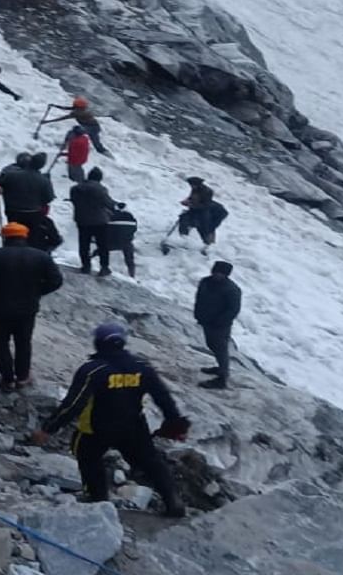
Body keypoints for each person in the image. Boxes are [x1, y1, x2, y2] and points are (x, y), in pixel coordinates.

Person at [31, 323, 188, 517]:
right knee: (151, 461)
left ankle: (97, 498)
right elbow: (163, 398)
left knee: (86, 455)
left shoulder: (93, 370)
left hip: (97, 428)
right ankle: (173, 500)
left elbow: (73, 404)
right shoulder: (142, 367)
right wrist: (176, 424)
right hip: (134, 426)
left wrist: (48, 429)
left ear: (98, 343)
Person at [0, 222, 63, 390]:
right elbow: (56, 280)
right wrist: (37, 292)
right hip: (27, 309)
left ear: (5, 237)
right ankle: (22, 377)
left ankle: (7, 379)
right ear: (24, 237)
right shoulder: (41, 256)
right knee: (23, 343)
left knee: (0, 344)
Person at [193, 261, 241, 390]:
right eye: (215, 271)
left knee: (221, 349)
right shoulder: (205, 282)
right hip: (206, 321)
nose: (217, 275)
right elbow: (199, 298)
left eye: (221, 273)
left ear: (226, 275)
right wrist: (198, 314)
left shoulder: (232, 289)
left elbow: (233, 310)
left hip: (220, 325)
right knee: (212, 345)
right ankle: (220, 368)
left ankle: (222, 379)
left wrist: (220, 322)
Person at [0, 152, 57, 250]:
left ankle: (11, 251)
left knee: (14, 233)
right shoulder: (43, 180)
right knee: (32, 236)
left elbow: (1, 186)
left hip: (13, 210)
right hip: (33, 212)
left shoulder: (11, 175)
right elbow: (48, 198)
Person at [69, 167, 116, 276]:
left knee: (84, 244)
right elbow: (108, 203)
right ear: (99, 178)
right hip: (99, 221)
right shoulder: (101, 189)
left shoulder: (75, 189)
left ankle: (86, 266)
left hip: (82, 220)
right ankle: (104, 267)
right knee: (102, 245)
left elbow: (74, 201)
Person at [40, 97, 109, 155]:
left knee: (74, 132)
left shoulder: (79, 113)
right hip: (94, 127)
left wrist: (47, 121)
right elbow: (67, 108)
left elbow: (63, 118)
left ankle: (64, 146)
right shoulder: (79, 109)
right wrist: (55, 106)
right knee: (97, 144)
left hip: (92, 128)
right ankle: (104, 152)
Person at [178, 177, 228, 254]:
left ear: (198, 184)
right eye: (191, 185)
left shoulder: (207, 191)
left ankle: (208, 247)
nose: (191, 186)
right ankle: (183, 237)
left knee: (206, 228)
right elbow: (192, 198)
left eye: (193, 185)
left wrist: (191, 205)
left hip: (215, 214)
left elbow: (205, 205)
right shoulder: (195, 189)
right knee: (184, 218)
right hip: (201, 210)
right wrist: (187, 201)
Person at [96, 203, 138, 278]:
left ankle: (102, 267)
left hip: (111, 243)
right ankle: (132, 275)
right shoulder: (131, 217)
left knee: (101, 249)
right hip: (126, 243)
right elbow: (134, 229)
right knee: (130, 259)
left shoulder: (110, 216)